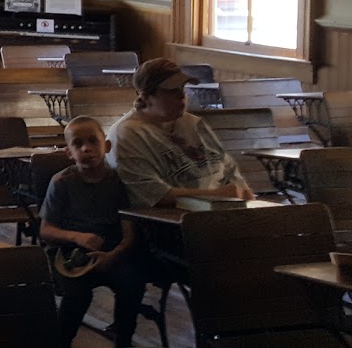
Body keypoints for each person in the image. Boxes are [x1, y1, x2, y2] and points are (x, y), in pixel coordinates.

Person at [40, 116, 145, 347]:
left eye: (92, 141)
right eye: (78, 144)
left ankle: (124, 340)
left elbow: (129, 231)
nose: (86, 148)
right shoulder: (61, 182)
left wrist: (113, 255)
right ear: (69, 152)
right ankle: (62, 341)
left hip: (110, 252)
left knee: (132, 283)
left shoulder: (119, 182)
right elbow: (46, 230)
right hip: (67, 253)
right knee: (78, 294)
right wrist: (77, 237)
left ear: (106, 145)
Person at [107, 57, 254, 208]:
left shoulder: (193, 123)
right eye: (171, 91)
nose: (181, 95)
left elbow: (230, 169)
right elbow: (153, 194)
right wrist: (216, 196)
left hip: (224, 207)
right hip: (174, 215)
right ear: (146, 97)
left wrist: (248, 199)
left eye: (182, 87)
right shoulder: (128, 135)